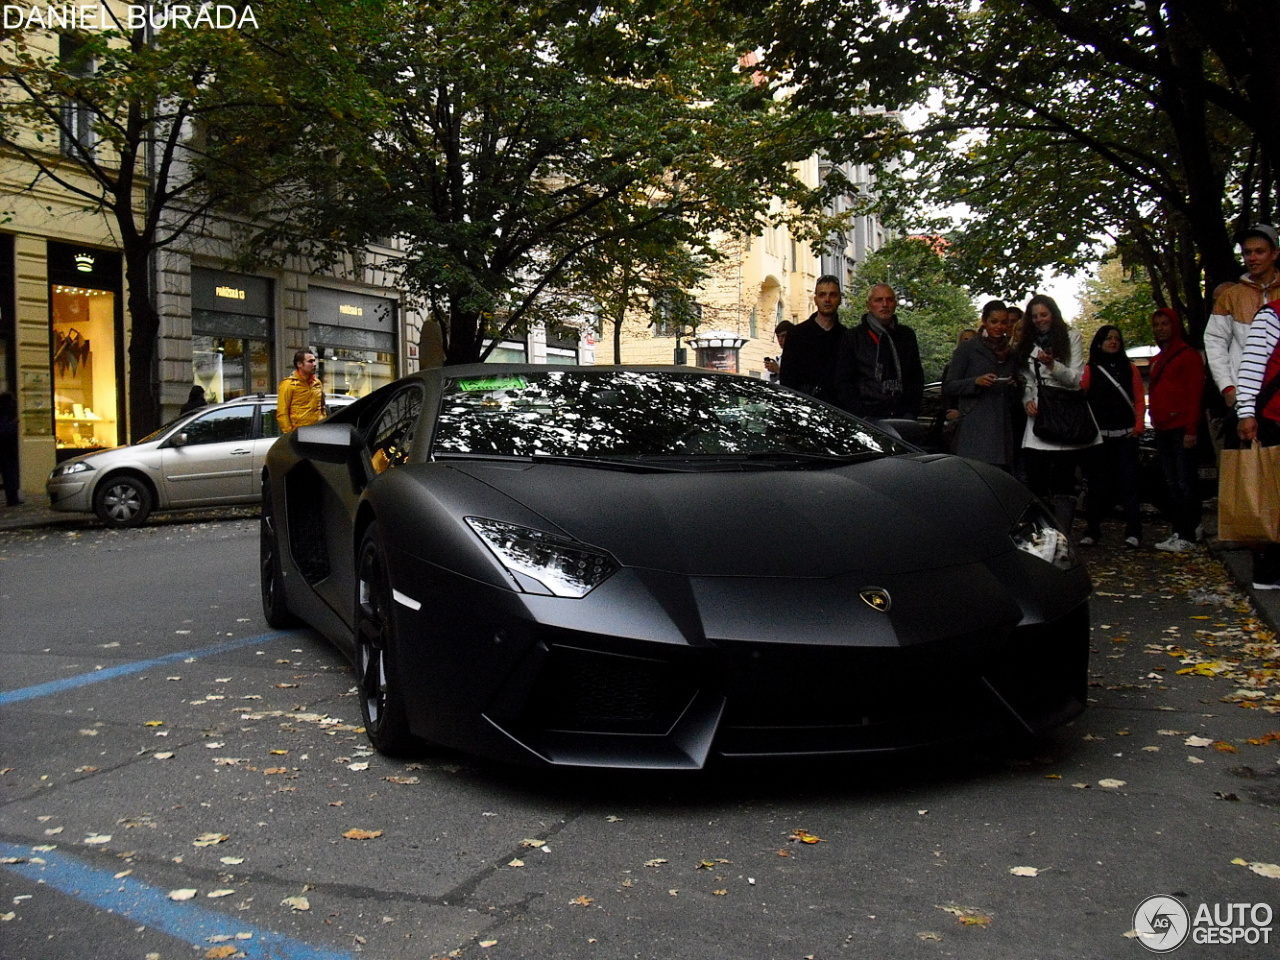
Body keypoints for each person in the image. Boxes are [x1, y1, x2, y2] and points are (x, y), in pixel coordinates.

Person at [1018, 294, 1098, 533]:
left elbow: (1075, 379)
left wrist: (1053, 365)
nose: (1039, 320)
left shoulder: (1071, 338)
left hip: (1064, 414)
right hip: (1038, 417)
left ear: (1053, 314)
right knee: (1036, 478)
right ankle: (1041, 534)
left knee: (1064, 480)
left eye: (1043, 314)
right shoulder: (1026, 345)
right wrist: (1027, 401)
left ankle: (1063, 534)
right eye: (1034, 316)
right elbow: (1026, 380)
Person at [1205, 224, 1280, 435]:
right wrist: (1227, 385)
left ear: (1275, 254)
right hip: (1246, 397)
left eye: (1260, 251)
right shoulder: (1231, 296)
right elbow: (1214, 341)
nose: (1252, 258)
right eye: (1247, 252)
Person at [1079, 326, 1145, 548]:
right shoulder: (1090, 370)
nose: (1113, 342)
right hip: (1099, 439)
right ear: (1099, 342)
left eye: (1117, 338)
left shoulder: (1130, 369)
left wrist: (1138, 427)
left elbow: (1138, 398)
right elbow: (1081, 397)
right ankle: (1092, 530)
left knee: (1129, 485)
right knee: (1097, 486)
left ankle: (1134, 532)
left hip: (1126, 436)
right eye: (1108, 338)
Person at [1148, 308, 1206, 552]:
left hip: (1181, 427)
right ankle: (1181, 528)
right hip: (1163, 427)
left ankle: (1188, 533)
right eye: (1157, 324)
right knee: (1172, 482)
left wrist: (1191, 429)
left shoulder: (1188, 356)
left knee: (1184, 482)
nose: (1161, 328)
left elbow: (1195, 395)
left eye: (1165, 323)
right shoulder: (1158, 359)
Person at [1233, 297, 1280, 587]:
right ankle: (1270, 570)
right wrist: (1246, 412)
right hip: (1275, 418)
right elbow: (1251, 368)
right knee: (1274, 499)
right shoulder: (1272, 316)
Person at [943, 301, 1021, 468]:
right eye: (994, 321)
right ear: (985, 321)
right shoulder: (968, 349)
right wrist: (975, 382)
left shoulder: (1011, 353)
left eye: (1003, 322)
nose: (999, 327)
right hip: (975, 425)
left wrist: (1015, 383)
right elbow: (949, 385)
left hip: (1002, 426)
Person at [834, 283, 924, 420]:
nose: (884, 304)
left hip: (902, 414)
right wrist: (859, 413)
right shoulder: (853, 337)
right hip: (867, 415)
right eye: (879, 300)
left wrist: (912, 411)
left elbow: (916, 377)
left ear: (895, 304)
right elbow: (844, 381)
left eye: (889, 300)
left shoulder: (906, 336)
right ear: (869, 305)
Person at [779, 276, 845, 399]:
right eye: (822, 295)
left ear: (840, 299)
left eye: (833, 295)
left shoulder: (847, 337)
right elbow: (787, 381)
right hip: (805, 408)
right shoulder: (796, 335)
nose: (827, 299)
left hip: (839, 410)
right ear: (815, 299)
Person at [276, 350, 327, 433]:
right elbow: (282, 413)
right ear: (299, 364)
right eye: (310, 361)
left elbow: (322, 407)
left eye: (314, 361)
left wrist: (323, 422)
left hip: (318, 432)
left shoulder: (317, 383)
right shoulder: (288, 384)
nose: (314, 364)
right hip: (300, 434)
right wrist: (290, 434)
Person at [0, 391, 20, 507]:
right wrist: (13, 424)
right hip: (6, 451)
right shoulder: (4, 414)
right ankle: (12, 500)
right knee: (10, 477)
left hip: (7, 451)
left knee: (10, 477)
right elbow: (3, 431)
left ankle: (13, 499)